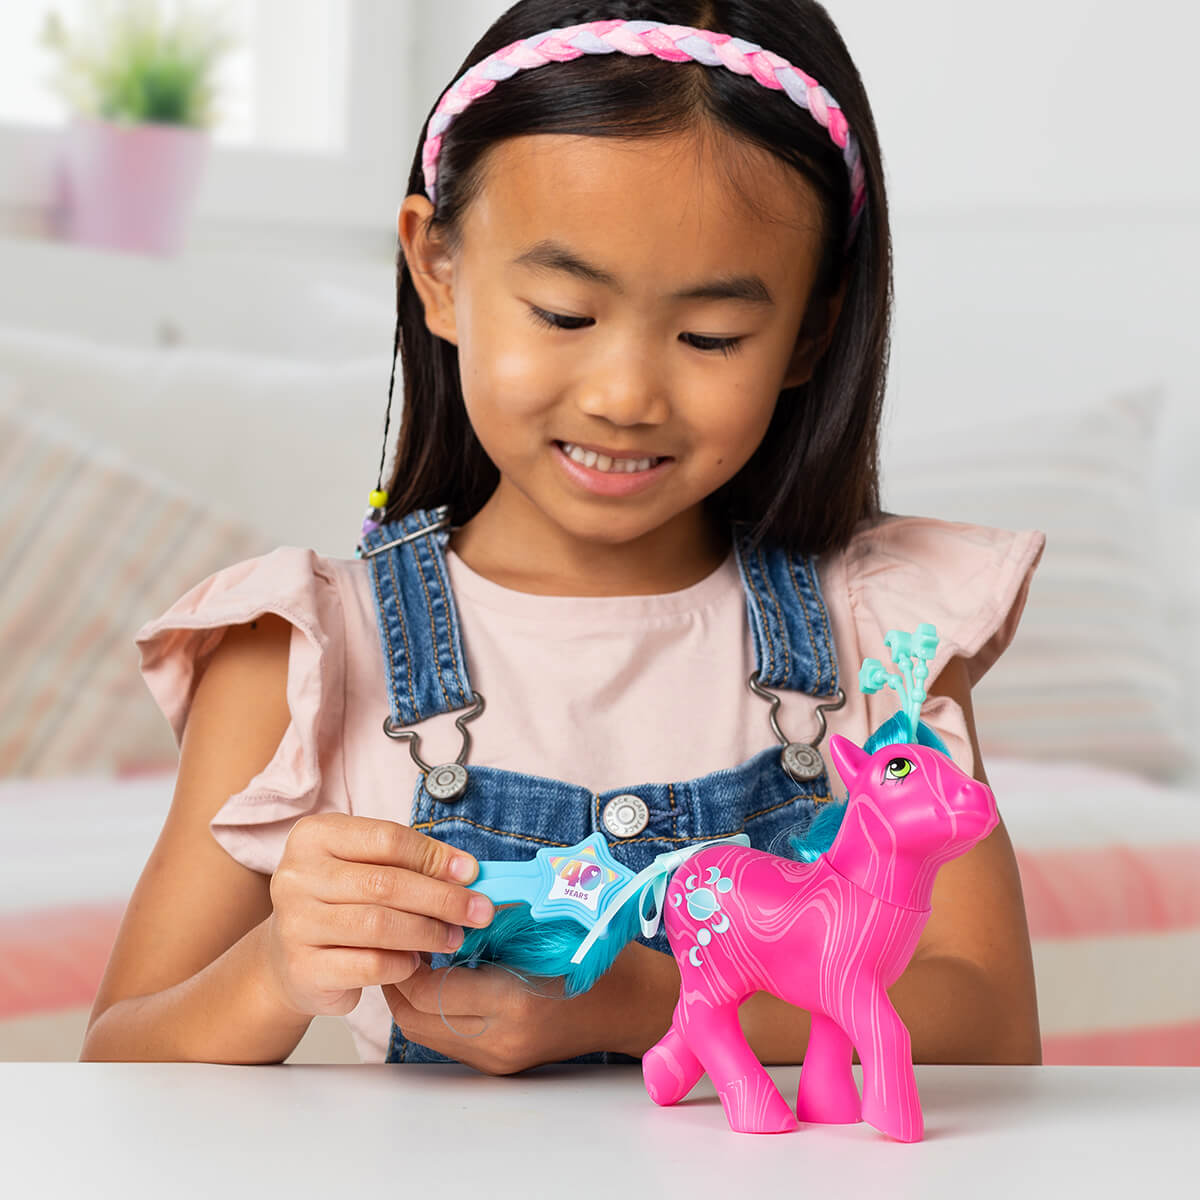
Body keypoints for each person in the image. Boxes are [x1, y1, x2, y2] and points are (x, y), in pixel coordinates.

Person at [80, 1, 1045, 1072]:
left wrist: (642, 1003)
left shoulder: (884, 637)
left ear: (811, 330)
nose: (625, 395)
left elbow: (989, 1025)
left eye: (711, 335)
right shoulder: (305, 659)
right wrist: (272, 972)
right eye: (565, 315)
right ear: (439, 269)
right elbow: (120, 1067)